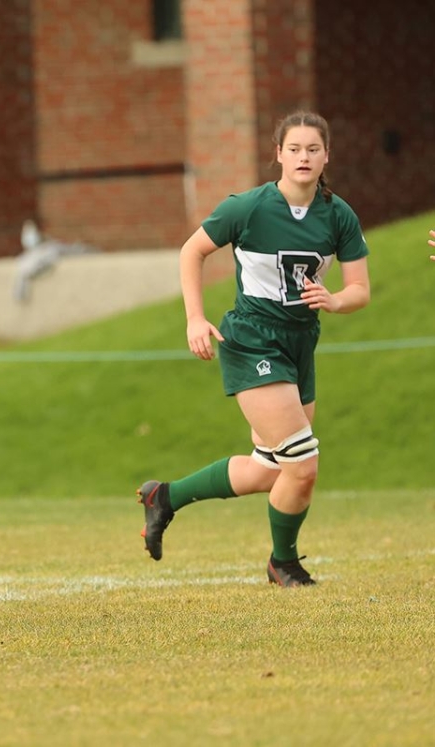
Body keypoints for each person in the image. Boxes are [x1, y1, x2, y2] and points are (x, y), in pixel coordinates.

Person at [136, 111, 370, 587]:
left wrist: (335, 299)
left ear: (327, 156)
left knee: (270, 469)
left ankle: (165, 496)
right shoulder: (249, 207)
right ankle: (282, 562)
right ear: (278, 155)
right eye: (294, 149)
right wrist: (194, 318)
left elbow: (360, 289)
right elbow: (192, 251)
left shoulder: (339, 214)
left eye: (313, 149)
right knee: (302, 466)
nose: (303, 157)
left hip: (301, 343)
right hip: (253, 339)